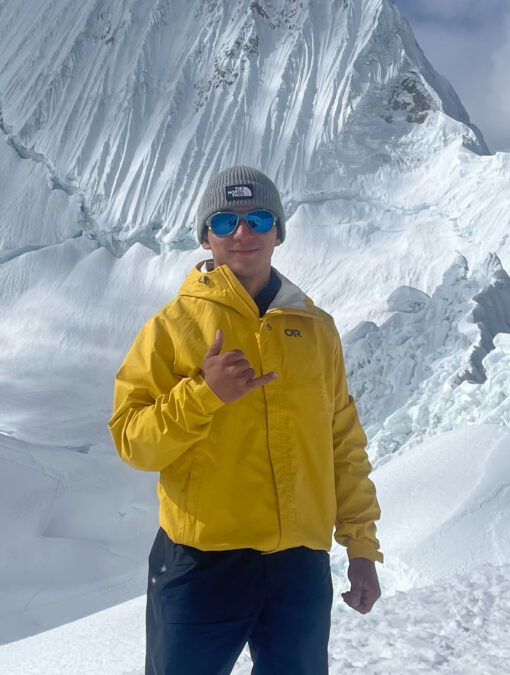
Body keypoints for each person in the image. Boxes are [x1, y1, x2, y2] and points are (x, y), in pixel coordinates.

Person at [109, 166, 382, 674]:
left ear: (278, 232)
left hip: (300, 564)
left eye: (258, 219)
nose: (242, 232)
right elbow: (132, 441)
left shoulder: (316, 330)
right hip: (201, 562)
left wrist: (361, 546)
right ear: (205, 237)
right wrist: (204, 395)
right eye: (224, 220)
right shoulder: (171, 328)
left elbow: (342, 442)